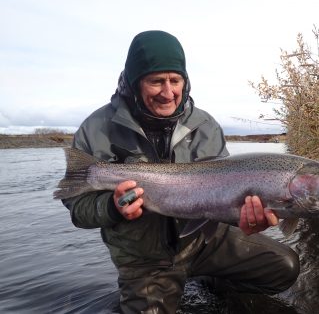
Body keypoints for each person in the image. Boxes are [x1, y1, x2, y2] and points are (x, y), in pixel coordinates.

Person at [62, 30, 299, 314]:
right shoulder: (97, 129)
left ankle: (217, 281)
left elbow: (224, 198)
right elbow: (78, 210)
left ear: (185, 82)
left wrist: (245, 219)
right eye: (155, 81)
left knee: (284, 267)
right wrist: (113, 208)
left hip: (204, 241)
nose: (168, 92)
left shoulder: (205, 126)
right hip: (145, 260)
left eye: (175, 80)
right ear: (135, 83)